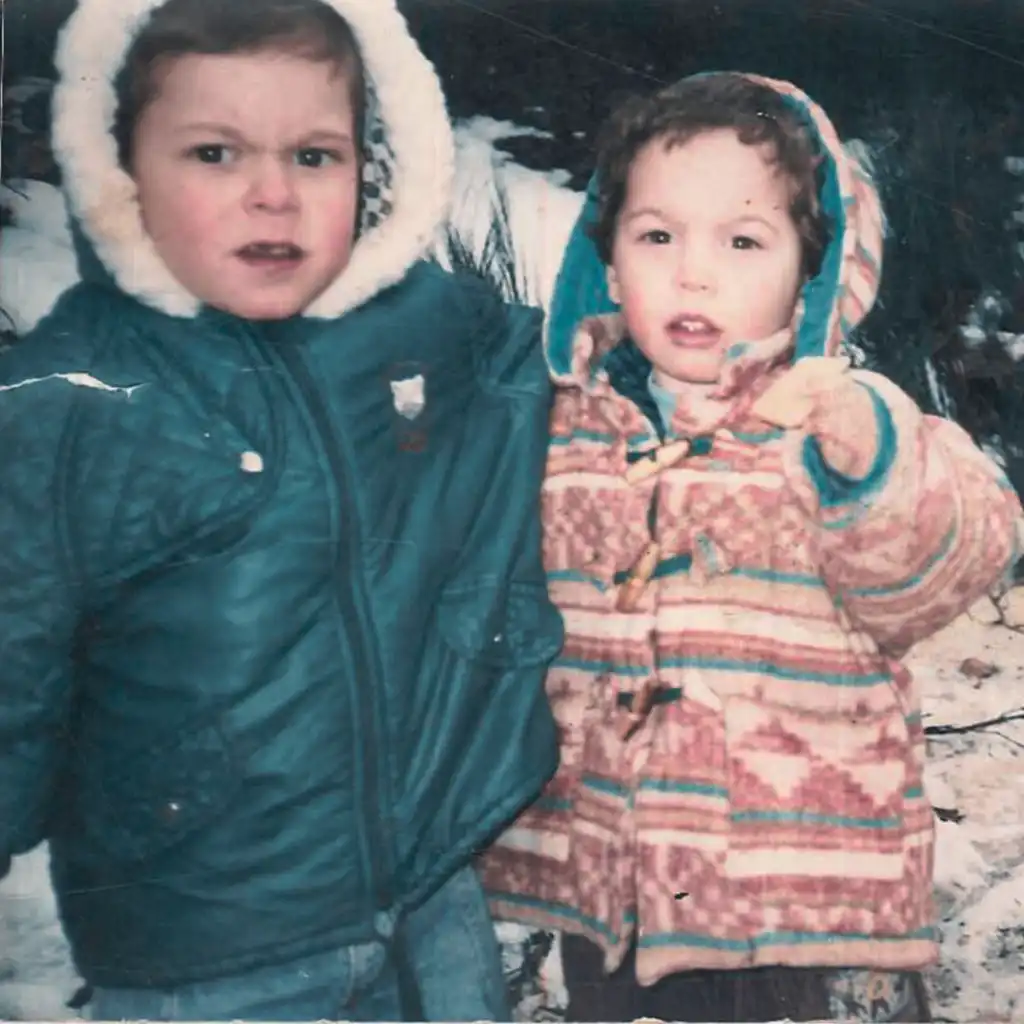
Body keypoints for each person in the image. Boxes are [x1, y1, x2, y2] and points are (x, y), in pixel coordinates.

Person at [0, 0, 564, 1019]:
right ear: (120, 167)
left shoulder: (417, 319)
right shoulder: (68, 401)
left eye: (314, 156)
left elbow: (539, 372)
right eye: (214, 153)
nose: (274, 195)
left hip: (429, 902)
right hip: (209, 951)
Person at [477, 71, 1024, 1023]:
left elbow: (948, 565)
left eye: (742, 241)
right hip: (619, 898)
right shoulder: (563, 432)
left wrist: (869, 460)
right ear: (608, 264)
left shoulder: (841, 421)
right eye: (658, 236)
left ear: (813, 271)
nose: (694, 273)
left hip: (806, 901)